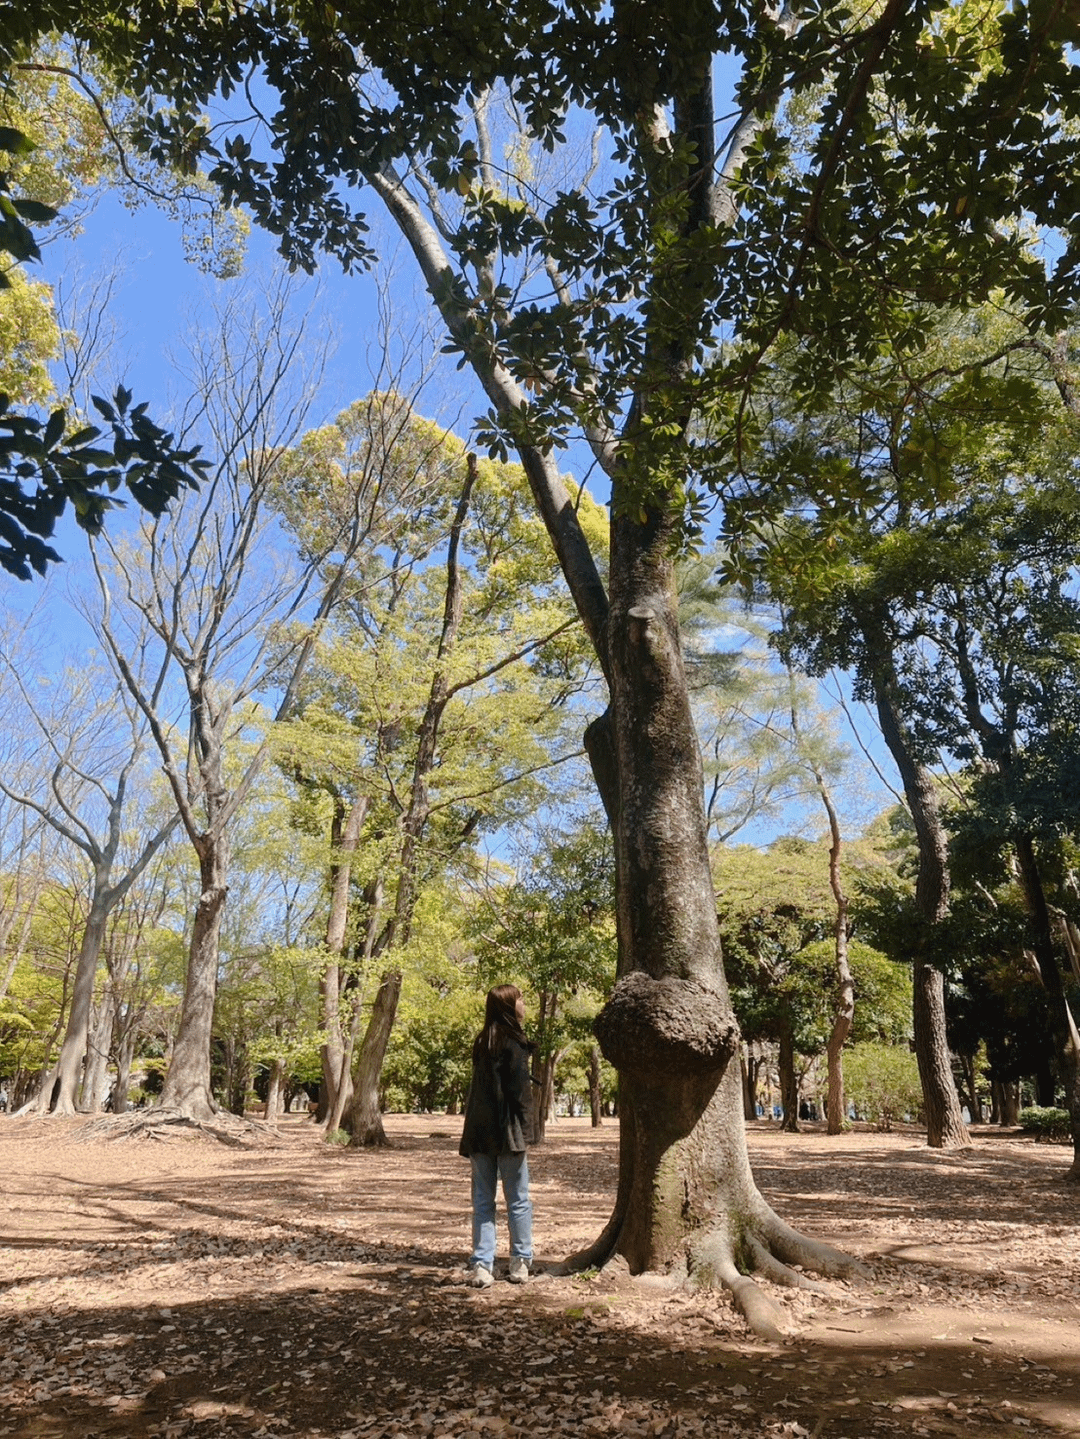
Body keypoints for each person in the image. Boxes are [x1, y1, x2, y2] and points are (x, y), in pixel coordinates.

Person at [458, 983, 536, 1287]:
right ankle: (520, 1261)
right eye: (520, 1000)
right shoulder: (514, 1042)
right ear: (508, 1006)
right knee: (518, 1199)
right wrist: (528, 1132)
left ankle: (482, 1265)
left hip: (479, 1131)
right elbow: (521, 1093)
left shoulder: (482, 1041)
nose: (524, 1004)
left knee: (483, 1200)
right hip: (508, 1132)